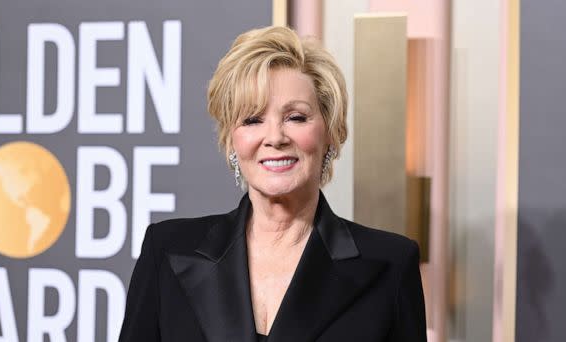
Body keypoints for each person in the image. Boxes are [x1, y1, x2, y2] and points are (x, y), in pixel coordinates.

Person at [119, 26, 426, 342]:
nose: (275, 137)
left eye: (296, 117)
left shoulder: (391, 264)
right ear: (231, 141)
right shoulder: (167, 250)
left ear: (330, 131)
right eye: (253, 119)